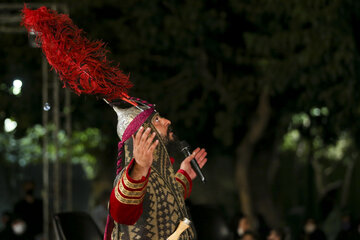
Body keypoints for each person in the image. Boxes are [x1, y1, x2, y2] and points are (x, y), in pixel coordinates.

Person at [105, 103, 208, 240]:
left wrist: (185, 175)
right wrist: (140, 167)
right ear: (143, 132)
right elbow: (121, 212)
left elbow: (164, 198)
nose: (167, 121)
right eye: (157, 120)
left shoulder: (160, 173)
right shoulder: (130, 175)